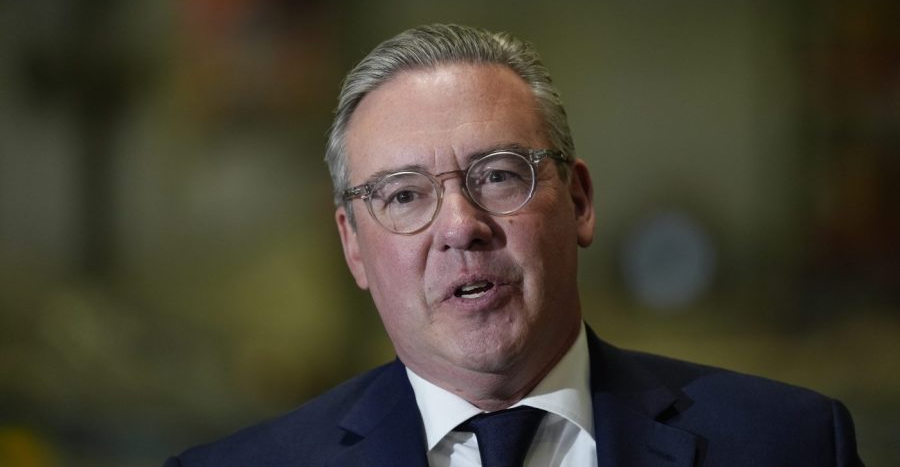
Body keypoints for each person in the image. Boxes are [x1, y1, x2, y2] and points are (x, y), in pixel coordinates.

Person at [164, 24, 864, 466]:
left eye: (498, 176)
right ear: (353, 246)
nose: (460, 226)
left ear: (579, 201)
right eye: (404, 195)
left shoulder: (792, 444)